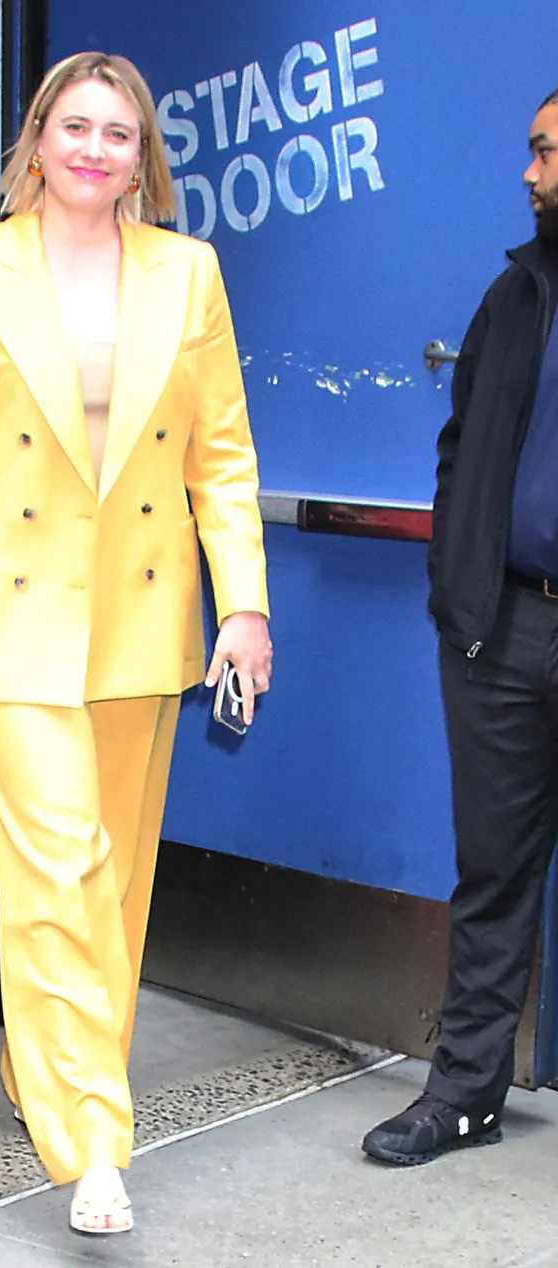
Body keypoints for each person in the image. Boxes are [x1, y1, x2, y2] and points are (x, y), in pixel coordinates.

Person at [0, 51, 271, 1233]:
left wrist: (242, 604)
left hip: (139, 622)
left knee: (113, 881)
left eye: (119, 133)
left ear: (139, 153)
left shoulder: (187, 273)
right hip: (3, 626)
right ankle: (93, 1139)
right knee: (53, 865)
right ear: (36, 137)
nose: (96, 150)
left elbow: (221, 457)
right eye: (75, 126)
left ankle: (34, 1075)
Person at [362, 88, 558, 1166]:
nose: (527, 173)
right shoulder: (516, 294)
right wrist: (457, 581)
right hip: (507, 632)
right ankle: (466, 1093)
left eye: (543, 152)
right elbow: (461, 445)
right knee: (491, 875)